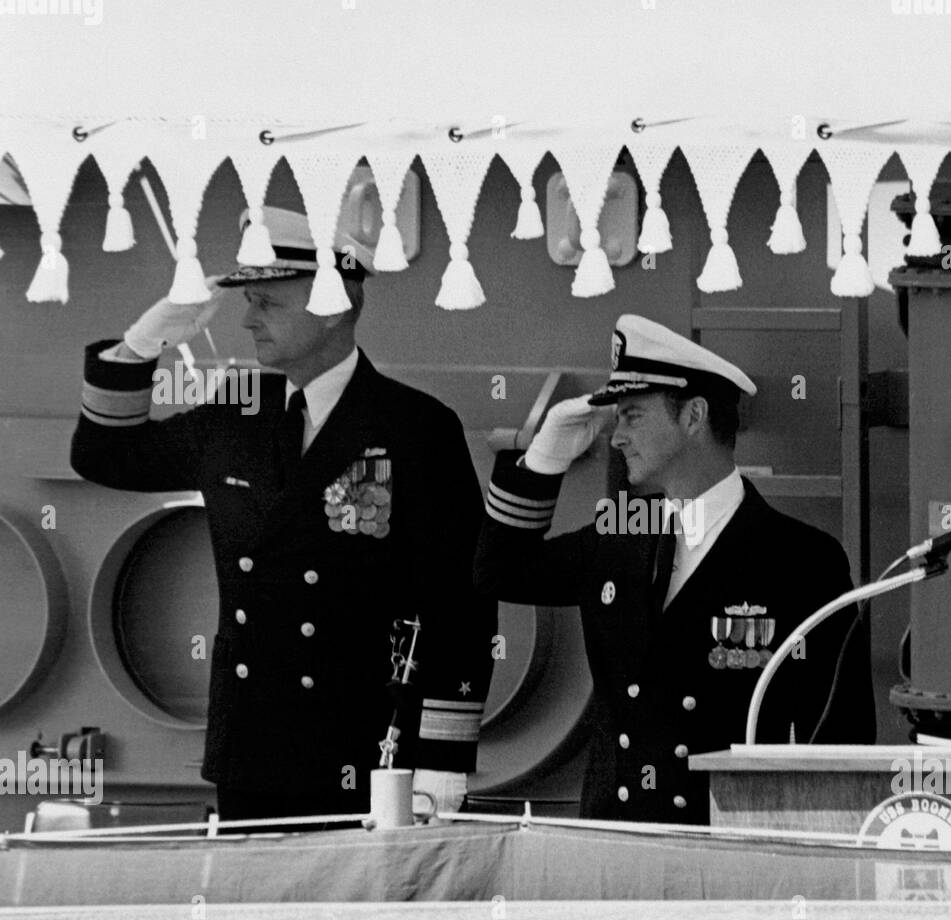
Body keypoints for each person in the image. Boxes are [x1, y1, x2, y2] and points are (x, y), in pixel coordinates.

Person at [70, 205, 496, 821]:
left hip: (369, 754)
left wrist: (443, 759)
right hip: (250, 750)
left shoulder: (415, 429)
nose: (247, 320)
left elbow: (464, 602)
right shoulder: (235, 414)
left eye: (267, 303)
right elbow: (103, 455)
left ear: (331, 305)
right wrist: (143, 342)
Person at [475, 314, 874, 824]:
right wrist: (542, 459)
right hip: (614, 839)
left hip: (726, 847)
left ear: (694, 417)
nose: (616, 438)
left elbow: (836, 732)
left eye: (633, 416)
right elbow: (500, 572)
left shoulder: (800, 558)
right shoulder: (622, 530)